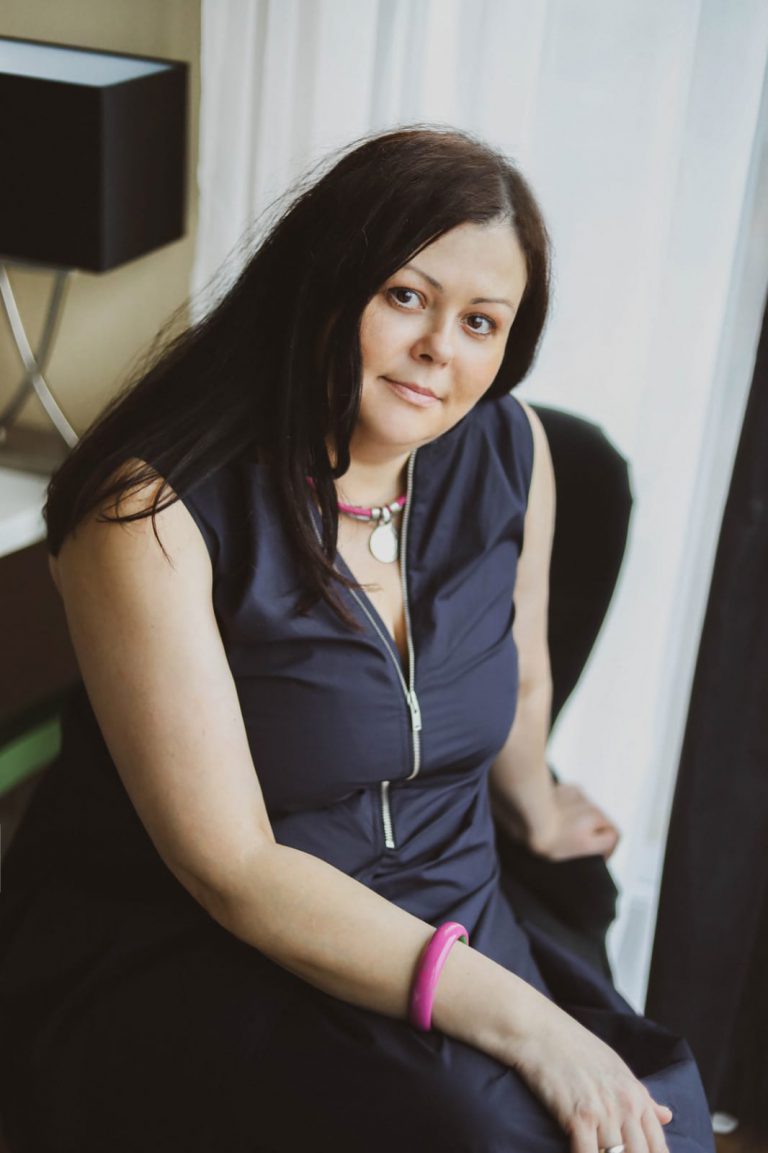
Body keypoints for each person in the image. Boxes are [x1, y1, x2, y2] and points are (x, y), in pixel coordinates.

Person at [0, 127, 713, 1153]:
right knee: (499, 1136)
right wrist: (530, 1025)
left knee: (648, 1124)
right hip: (214, 941)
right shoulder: (150, 512)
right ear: (324, 284)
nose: (441, 348)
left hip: (448, 899)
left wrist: (538, 803)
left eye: (481, 321)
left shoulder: (512, 449)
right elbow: (233, 867)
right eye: (407, 297)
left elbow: (520, 678)